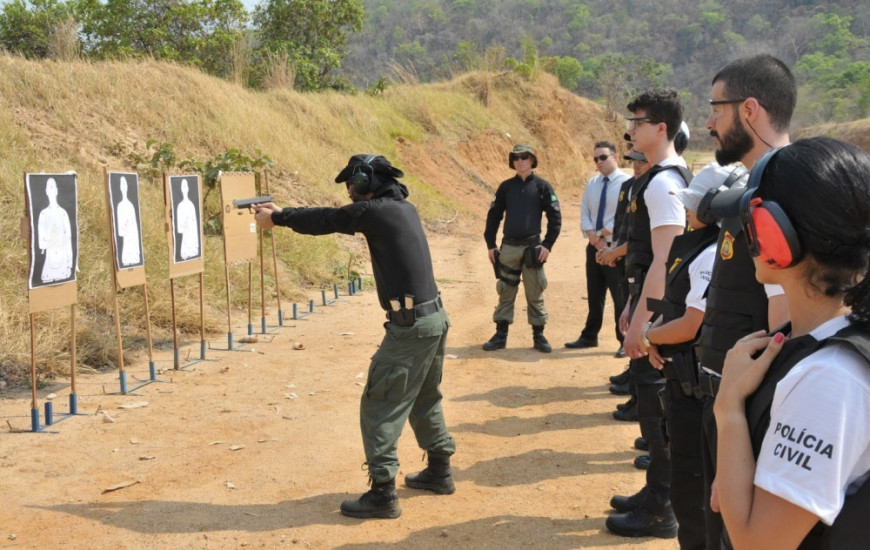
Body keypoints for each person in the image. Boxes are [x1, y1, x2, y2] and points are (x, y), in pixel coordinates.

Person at [252, 154, 456, 520]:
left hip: (410, 326)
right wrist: (281, 214)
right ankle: (439, 471)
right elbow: (332, 215)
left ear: (366, 181)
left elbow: (326, 219)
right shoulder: (402, 208)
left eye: (351, 182)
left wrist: (278, 217)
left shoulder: (376, 212)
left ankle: (382, 493)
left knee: (380, 404)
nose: (348, 190)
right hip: (433, 318)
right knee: (425, 395)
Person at [713, 138, 870, 550]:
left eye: (749, 223)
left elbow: (757, 542)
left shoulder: (830, 379)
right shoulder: (819, 344)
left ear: (773, 235)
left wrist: (728, 408)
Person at [696, 54, 795, 548]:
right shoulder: (761, 181)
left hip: (754, 410)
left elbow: (785, 326)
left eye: (717, 108)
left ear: (750, 109)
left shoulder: (779, 189)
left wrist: (748, 445)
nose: (709, 122)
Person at [612, 163, 735, 550]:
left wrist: (649, 336)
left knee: (692, 490)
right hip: (682, 375)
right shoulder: (696, 243)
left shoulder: (709, 251)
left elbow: (691, 324)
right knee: (684, 482)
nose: (684, 210)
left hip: (692, 382)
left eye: (692, 204)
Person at [606, 89, 690, 539]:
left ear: (661, 128)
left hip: (660, 313)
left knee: (659, 413)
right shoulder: (657, 178)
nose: (630, 130)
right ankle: (655, 491)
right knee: (653, 412)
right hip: (649, 304)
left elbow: (666, 259)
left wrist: (643, 323)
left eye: (636, 122)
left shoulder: (663, 183)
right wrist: (631, 307)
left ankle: (662, 509)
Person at [482, 144, 562, 353]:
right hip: (508, 247)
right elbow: (494, 216)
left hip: (532, 248)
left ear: (532, 160)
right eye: (516, 158)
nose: (520, 161)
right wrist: (491, 244)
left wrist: (547, 245)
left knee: (535, 291)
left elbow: (555, 218)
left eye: (524, 157)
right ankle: (500, 336)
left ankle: (539, 336)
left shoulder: (543, 187)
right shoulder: (506, 187)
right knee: (505, 291)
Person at [566, 141, 630, 357]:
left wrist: (602, 234)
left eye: (603, 157)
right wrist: (593, 237)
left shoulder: (627, 183)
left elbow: (626, 216)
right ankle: (589, 335)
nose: (599, 162)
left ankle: (624, 340)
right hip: (594, 248)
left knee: (620, 298)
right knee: (595, 295)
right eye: (595, 159)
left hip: (615, 249)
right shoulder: (592, 183)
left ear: (615, 156)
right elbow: (584, 211)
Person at [37, 177, 73, 283]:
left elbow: (68, 239)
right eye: (49, 187)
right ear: (46, 191)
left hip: (63, 265)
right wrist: (51, 238)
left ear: (57, 190)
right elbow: (41, 244)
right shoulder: (43, 214)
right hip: (49, 264)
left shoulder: (63, 213)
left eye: (53, 187)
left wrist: (70, 263)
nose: (51, 189)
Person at [116, 176, 141, 267]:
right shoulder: (120, 205)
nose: (124, 186)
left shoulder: (130, 205)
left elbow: (135, 225)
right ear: (120, 187)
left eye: (125, 184)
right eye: (122, 184)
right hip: (127, 237)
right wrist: (125, 224)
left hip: (133, 236)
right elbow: (120, 231)